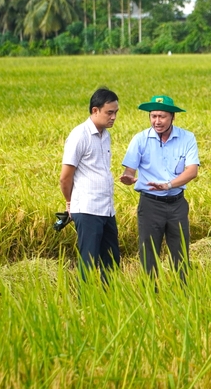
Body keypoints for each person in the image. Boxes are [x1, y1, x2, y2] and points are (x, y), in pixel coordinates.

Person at [120, 95, 199, 283]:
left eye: (162, 116)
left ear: (173, 117)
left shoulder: (187, 138)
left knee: (180, 253)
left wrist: (169, 185)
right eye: (153, 116)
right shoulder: (140, 139)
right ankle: (151, 295)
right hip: (150, 205)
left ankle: (183, 293)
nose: (157, 121)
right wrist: (129, 178)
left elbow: (192, 171)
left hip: (177, 203)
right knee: (148, 253)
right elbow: (129, 169)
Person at [60, 87, 121, 283]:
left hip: (106, 209)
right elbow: (65, 177)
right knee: (88, 260)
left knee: (111, 261)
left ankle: (109, 300)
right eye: (109, 112)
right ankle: (85, 304)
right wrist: (70, 202)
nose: (113, 117)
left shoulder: (106, 135)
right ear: (95, 111)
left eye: (116, 113)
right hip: (87, 209)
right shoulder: (79, 135)